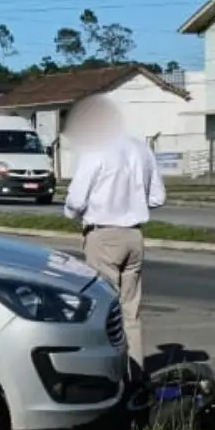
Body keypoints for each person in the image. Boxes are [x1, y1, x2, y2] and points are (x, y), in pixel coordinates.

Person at [61, 94, 165, 377]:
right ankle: (136, 373)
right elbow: (157, 197)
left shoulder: (95, 150)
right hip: (134, 235)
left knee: (105, 309)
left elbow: (76, 199)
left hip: (104, 235)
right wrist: (132, 202)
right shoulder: (141, 149)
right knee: (130, 311)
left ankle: (110, 374)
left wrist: (72, 214)